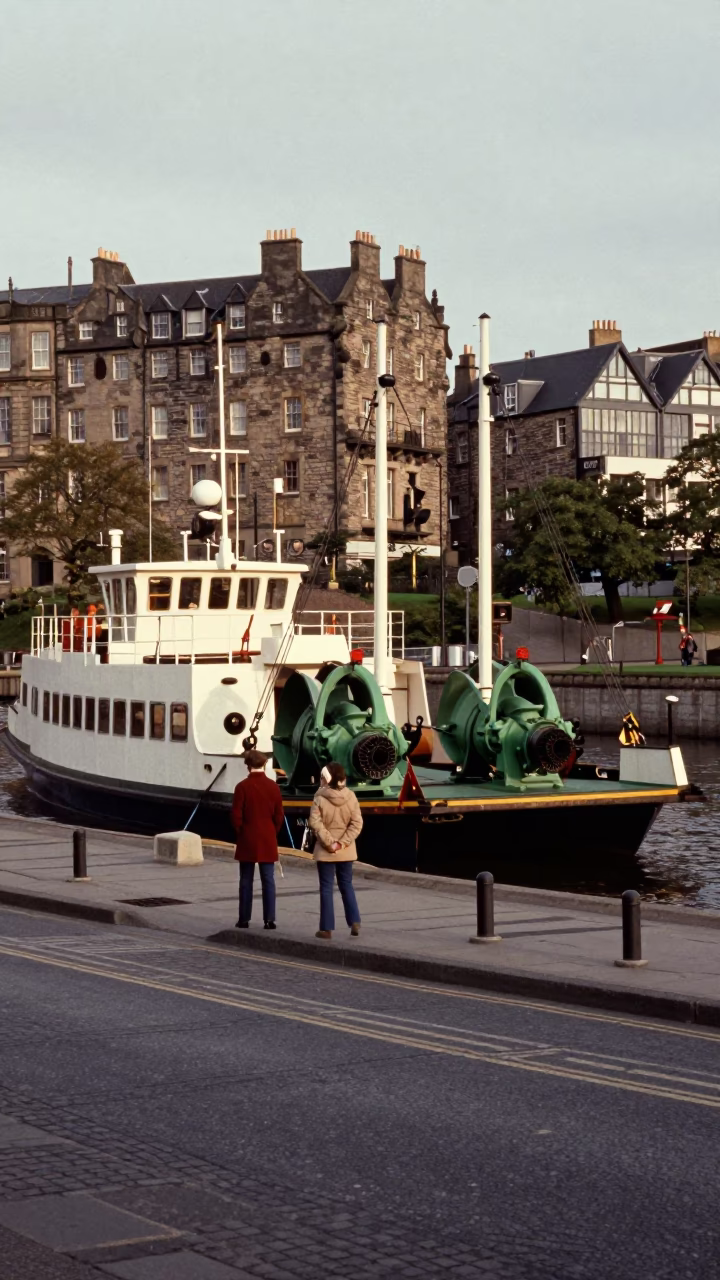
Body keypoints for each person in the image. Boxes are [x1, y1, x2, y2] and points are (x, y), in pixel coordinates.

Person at [308, 762, 363, 940]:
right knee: (346, 884)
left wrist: (330, 843)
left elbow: (315, 823)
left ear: (327, 778)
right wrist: (343, 843)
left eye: (322, 776)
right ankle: (354, 920)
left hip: (326, 851)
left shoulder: (319, 797)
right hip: (346, 850)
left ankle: (326, 928)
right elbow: (357, 824)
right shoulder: (352, 796)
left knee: (326, 887)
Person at [231, 750, 284, 930]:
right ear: (264, 765)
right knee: (268, 879)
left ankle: (244, 919)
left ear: (248, 765)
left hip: (247, 836)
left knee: (246, 879)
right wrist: (272, 832)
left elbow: (236, 816)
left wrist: (242, 832)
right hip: (267, 836)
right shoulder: (274, 787)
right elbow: (279, 816)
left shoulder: (242, 787)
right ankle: (269, 919)